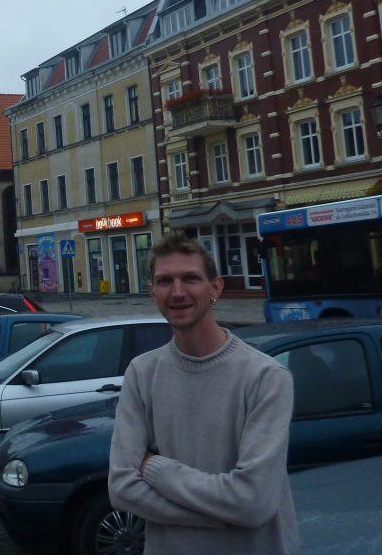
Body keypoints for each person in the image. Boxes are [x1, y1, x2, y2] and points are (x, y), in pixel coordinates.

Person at [108, 232, 299, 554]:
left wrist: (157, 469)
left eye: (191, 278)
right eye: (165, 281)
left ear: (216, 288)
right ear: (152, 292)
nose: (178, 292)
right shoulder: (141, 373)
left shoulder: (266, 376)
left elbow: (252, 503)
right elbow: (122, 489)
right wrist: (223, 516)